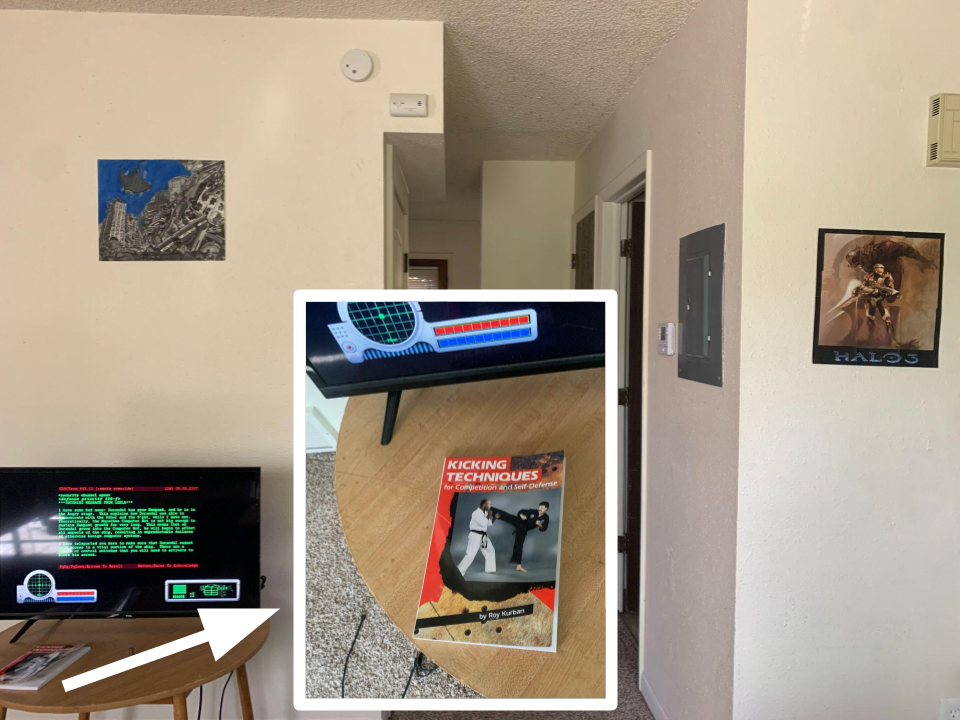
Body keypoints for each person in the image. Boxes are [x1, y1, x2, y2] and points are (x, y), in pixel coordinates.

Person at [490, 501, 550, 572]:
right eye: (539, 507)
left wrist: (540, 526)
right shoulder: (533, 511)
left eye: (542, 508)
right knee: (507, 516)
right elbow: (522, 511)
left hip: (523, 529)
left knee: (519, 545)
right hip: (519, 521)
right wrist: (521, 515)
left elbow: (544, 529)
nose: (540, 509)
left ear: (546, 509)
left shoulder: (546, 518)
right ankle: (489, 509)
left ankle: (518, 566)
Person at [457, 498, 497, 577]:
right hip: (475, 535)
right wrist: (489, 515)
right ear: (484, 504)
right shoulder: (476, 513)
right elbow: (482, 524)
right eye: (489, 504)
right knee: (471, 554)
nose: (490, 506)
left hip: (483, 536)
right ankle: (459, 572)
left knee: (490, 550)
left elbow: (488, 523)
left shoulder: (485, 513)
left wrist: (495, 517)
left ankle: (490, 569)